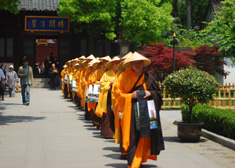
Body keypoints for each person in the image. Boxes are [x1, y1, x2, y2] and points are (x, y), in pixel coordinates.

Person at [115, 52, 164, 168]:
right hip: (131, 111)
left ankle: (140, 159)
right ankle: (133, 163)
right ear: (131, 64)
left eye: (139, 63)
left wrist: (150, 93)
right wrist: (130, 96)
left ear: (143, 64)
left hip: (145, 110)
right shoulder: (123, 77)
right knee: (133, 136)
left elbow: (157, 93)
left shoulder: (148, 77)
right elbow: (117, 94)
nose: (137, 65)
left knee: (144, 135)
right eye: (135, 63)